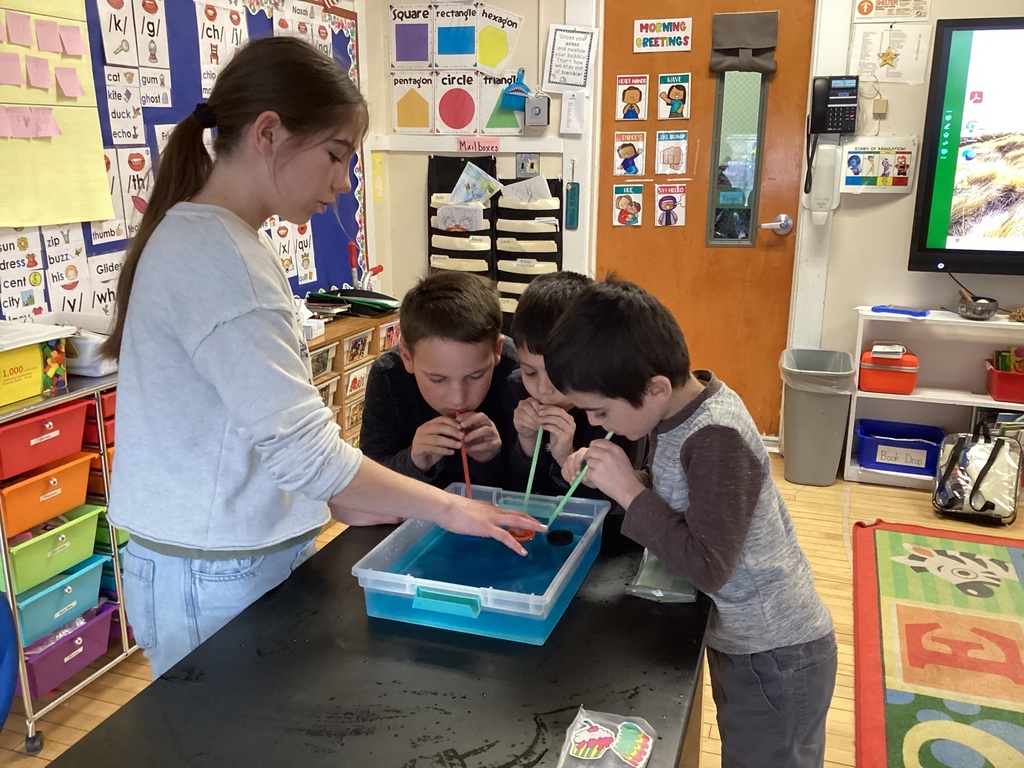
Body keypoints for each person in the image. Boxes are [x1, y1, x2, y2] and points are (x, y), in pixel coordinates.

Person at [100, 37, 542, 679]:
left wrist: (343, 500)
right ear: (269, 133)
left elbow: (248, 433)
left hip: (222, 555)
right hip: (214, 568)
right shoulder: (223, 262)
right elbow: (304, 449)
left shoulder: (215, 240)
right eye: (335, 156)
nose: (342, 184)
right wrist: (452, 506)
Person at [545, 279, 836, 768]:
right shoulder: (677, 413)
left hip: (775, 651)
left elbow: (709, 564)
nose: (596, 423)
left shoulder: (715, 434)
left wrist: (628, 490)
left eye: (600, 410)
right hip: (744, 639)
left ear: (656, 387)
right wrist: (612, 479)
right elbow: (680, 500)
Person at [360, 271, 520, 491]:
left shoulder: (518, 373)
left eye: (475, 376)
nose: (458, 398)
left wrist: (492, 459)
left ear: (497, 350)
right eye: (437, 379)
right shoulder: (389, 376)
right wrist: (415, 460)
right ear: (408, 358)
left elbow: (534, 490)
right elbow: (368, 484)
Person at [502, 272, 646, 501]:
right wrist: (526, 444)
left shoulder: (611, 411)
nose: (543, 389)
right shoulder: (514, 392)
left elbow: (609, 507)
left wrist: (566, 458)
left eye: (557, 374)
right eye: (530, 372)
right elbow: (514, 493)